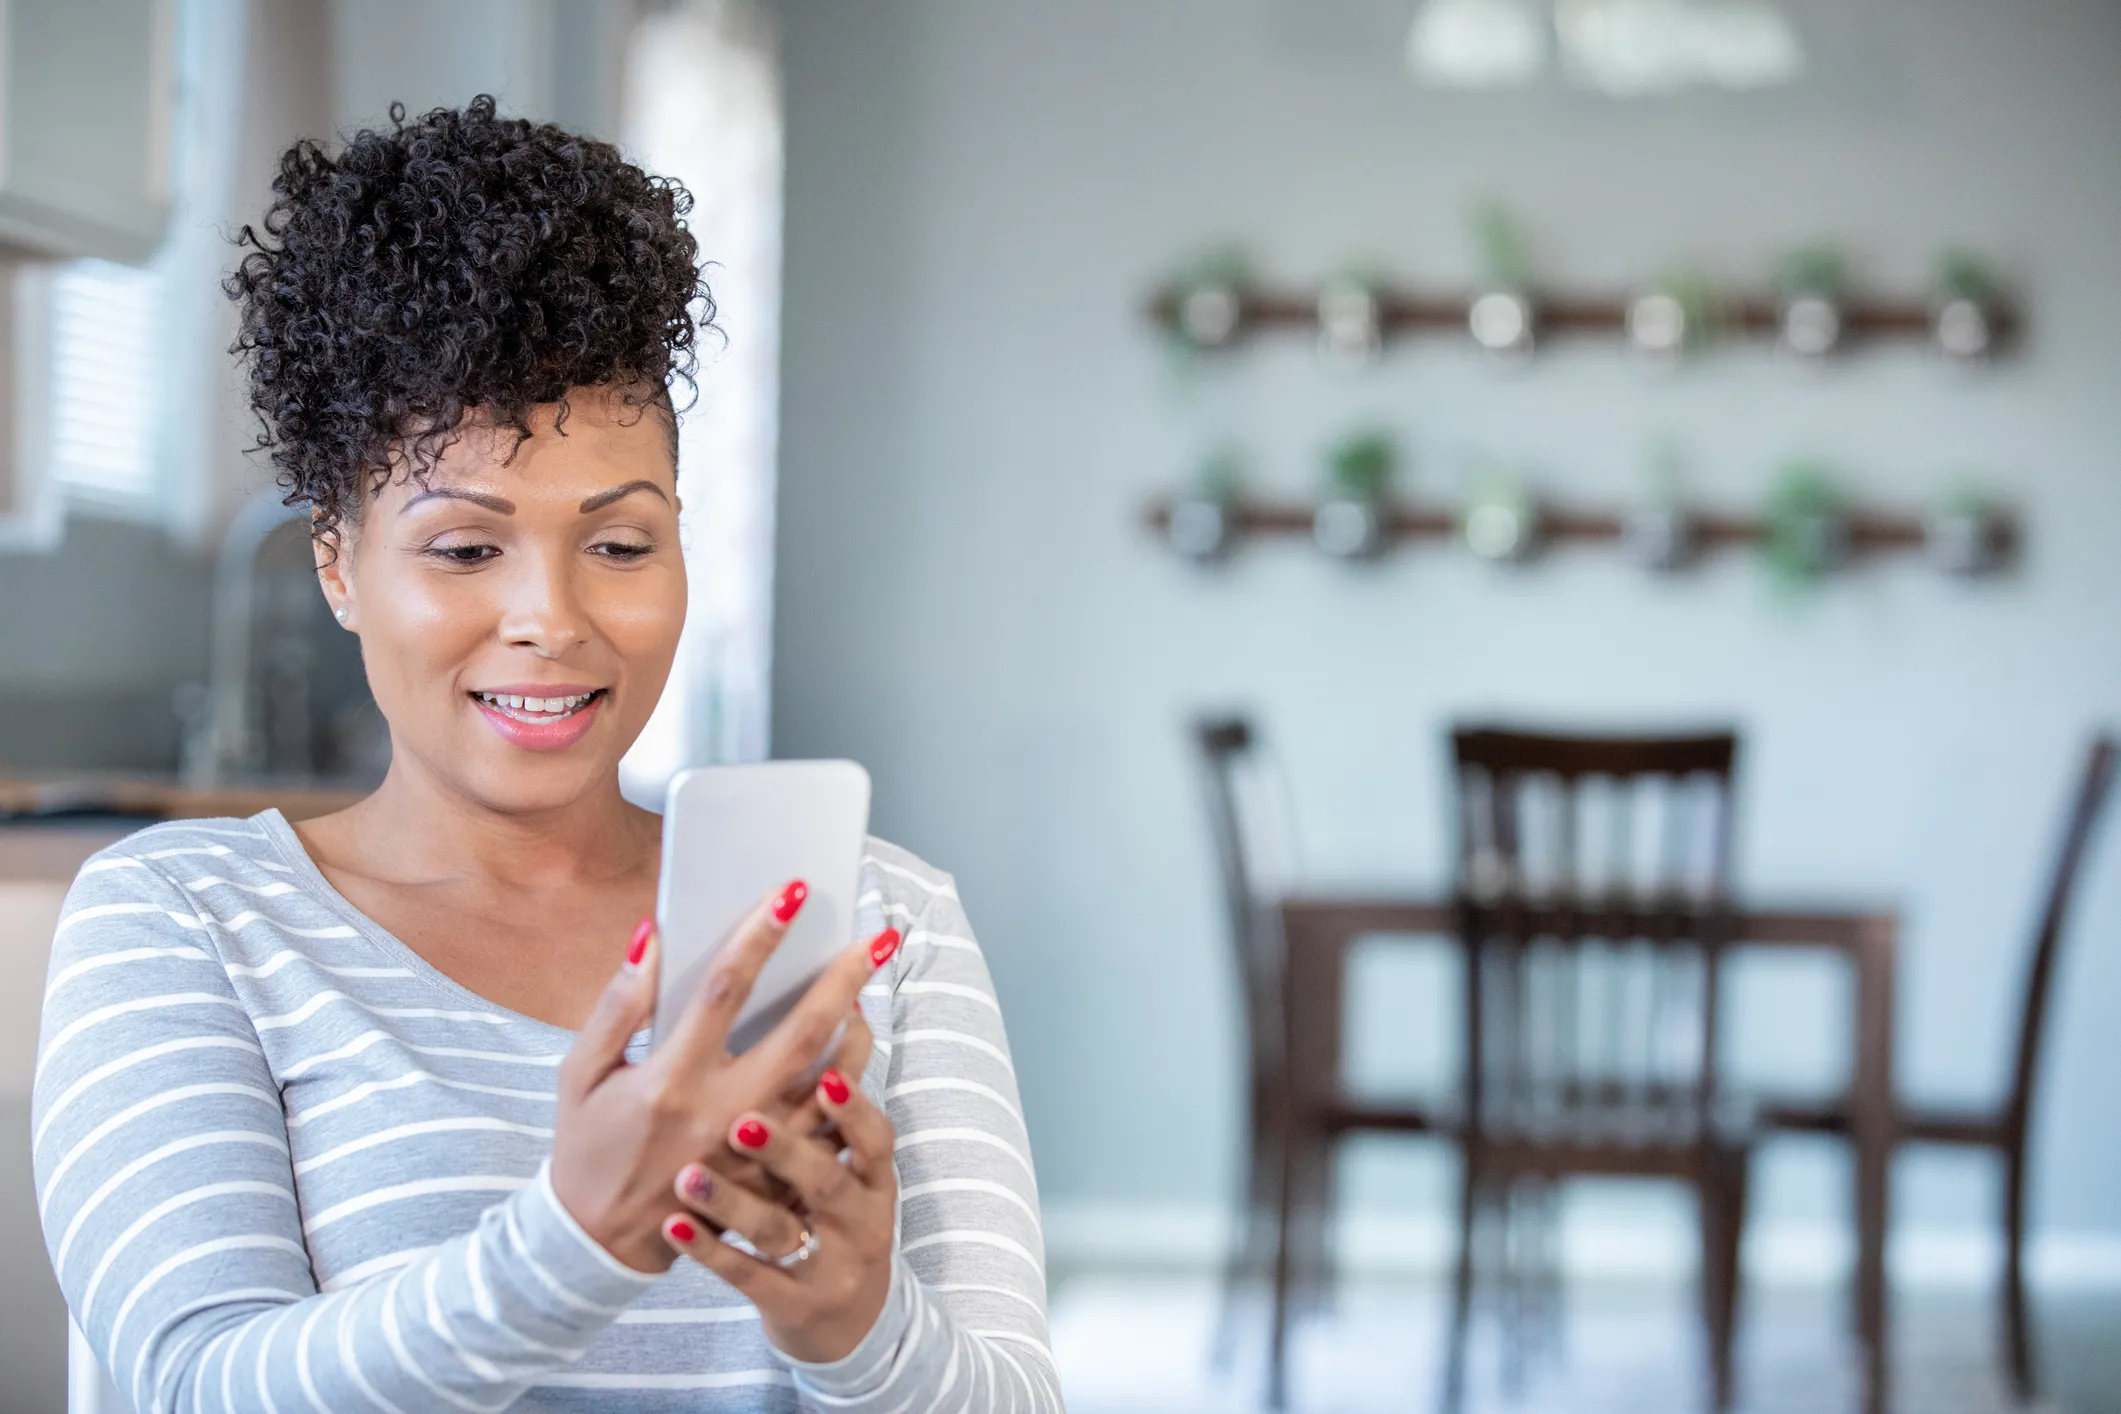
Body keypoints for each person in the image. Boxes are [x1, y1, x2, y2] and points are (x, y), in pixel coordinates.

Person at [35, 97, 1059, 1413]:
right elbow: (195, 1383)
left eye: (621, 545)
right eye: (465, 548)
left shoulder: (880, 924)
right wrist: (571, 1239)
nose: (554, 619)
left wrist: (860, 1328)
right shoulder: (185, 920)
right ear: (338, 563)